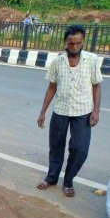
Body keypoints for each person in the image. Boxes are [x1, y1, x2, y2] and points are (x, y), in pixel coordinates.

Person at [36, 24, 102, 197]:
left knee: (80, 148)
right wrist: (43, 111)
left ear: (83, 42)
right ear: (65, 42)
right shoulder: (57, 62)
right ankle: (51, 178)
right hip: (60, 110)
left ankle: (68, 180)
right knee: (56, 146)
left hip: (83, 111)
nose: (74, 47)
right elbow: (52, 87)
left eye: (78, 43)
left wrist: (96, 111)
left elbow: (96, 86)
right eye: (71, 43)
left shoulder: (92, 60)